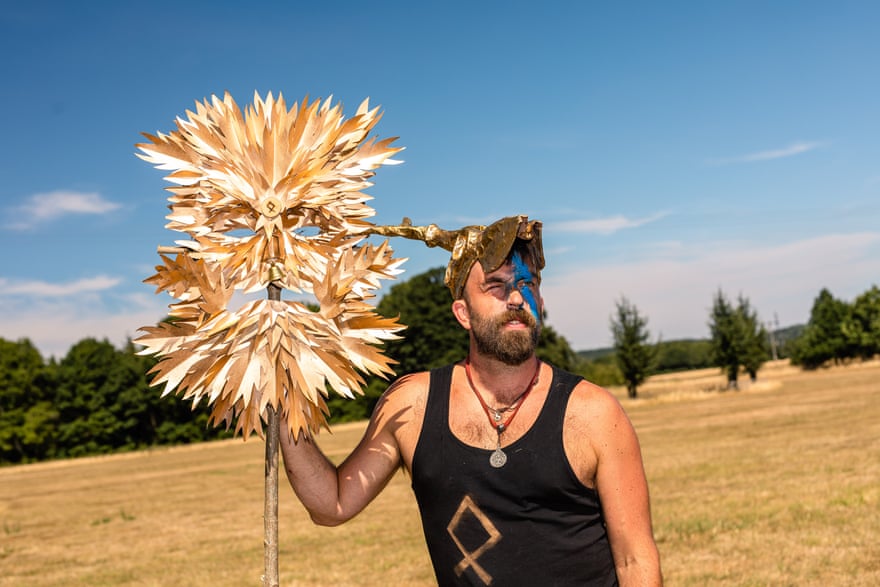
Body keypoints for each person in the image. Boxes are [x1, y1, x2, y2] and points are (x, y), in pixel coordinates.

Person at [281, 216, 662, 586]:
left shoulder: (593, 413)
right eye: (496, 286)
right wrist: (280, 404)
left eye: (527, 284)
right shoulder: (411, 405)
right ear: (463, 313)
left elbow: (634, 559)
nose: (515, 298)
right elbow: (331, 504)